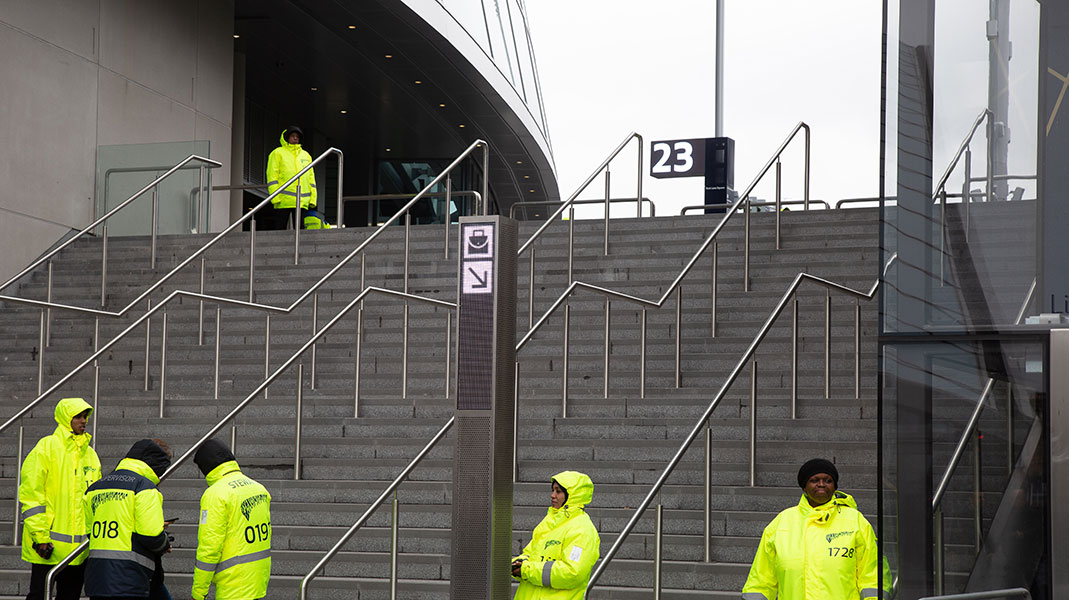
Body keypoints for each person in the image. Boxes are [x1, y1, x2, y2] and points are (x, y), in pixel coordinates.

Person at [741, 458, 889, 600]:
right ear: (804, 486)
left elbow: (872, 575)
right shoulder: (781, 522)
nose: (821, 484)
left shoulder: (856, 521)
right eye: (814, 480)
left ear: (835, 487)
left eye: (828, 480)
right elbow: (761, 581)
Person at [19, 397, 101, 600]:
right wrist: (40, 536)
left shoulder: (90, 454)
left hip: (79, 550)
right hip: (48, 546)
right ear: (66, 418)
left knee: (70, 597)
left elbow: (94, 499)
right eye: (78, 417)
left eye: (85, 416)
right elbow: (31, 495)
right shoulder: (47, 447)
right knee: (38, 595)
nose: (83, 421)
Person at [83, 439, 173, 600]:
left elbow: (90, 532)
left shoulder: (95, 488)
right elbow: (151, 535)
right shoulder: (145, 487)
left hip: (97, 577)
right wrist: (164, 543)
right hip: (129, 578)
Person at [191, 439, 272, 600]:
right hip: (257, 580)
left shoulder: (216, 494)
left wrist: (198, 592)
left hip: (233, 583)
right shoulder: (258, 488)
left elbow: (209, 548)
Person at [511, 471, 600, 600]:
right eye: (553, 490)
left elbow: (571, 572)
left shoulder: (582, 530)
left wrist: (526, 570)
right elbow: (530, 554)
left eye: (558, 491)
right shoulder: (549, 523)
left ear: (572, 496)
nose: (552, 495)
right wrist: (517, 563)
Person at [263, 125, 317, 231]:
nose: (295, 138)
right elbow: (272, 175)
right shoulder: (277, 153)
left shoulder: (306, 155)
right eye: (293, 136)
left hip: (301, 200)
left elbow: (311, 178)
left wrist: (313, 198)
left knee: (300, 229)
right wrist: (275, 196)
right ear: (287, 137)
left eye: (297, 136)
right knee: (280, 227)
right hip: (283, 199)